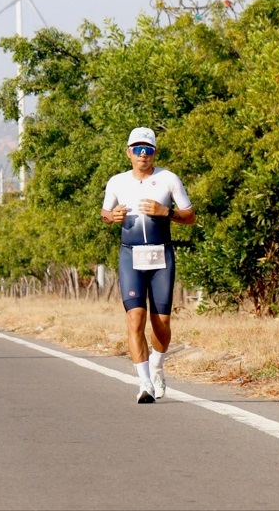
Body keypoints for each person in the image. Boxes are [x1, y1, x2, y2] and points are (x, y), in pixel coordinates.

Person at [100, 127, 195, 403]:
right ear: (128, 152)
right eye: (138, 149)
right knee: (135, 319)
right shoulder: (117, 181)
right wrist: (112, 216)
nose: (143, 155)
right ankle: (144, 384)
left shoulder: (169, 179)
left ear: (155, 153)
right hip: (130, 255)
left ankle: (156, 365)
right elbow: (105, 213)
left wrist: (168, 212)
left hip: (160, 255)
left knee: (161, 323)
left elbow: (190, 216)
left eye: (148, 150)